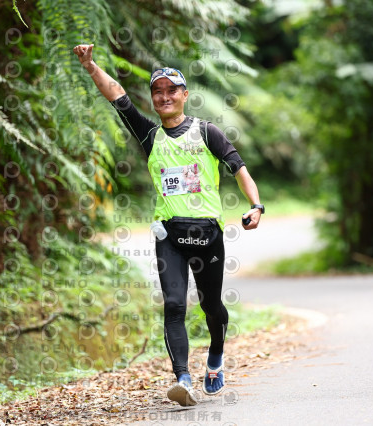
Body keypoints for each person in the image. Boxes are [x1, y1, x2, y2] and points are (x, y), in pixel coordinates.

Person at [73, 44, 264, 406]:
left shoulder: (207, 132)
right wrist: (91, 65)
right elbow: (118, 97)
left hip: (207, 234)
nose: (164, 97)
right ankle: (183, 380)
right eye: (157, 91)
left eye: (171, 90)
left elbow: (239, 169)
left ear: (184, 95)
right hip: (169, 235)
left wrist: (256, 206)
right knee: (174, 305)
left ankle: (215, 356)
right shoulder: (149, 135)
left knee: (211, 306)